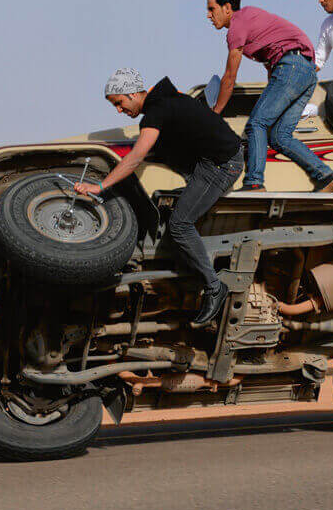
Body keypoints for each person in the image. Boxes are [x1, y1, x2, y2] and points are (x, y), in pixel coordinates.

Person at [75, 68, 244, 327]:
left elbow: (134, 159)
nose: (119, 110)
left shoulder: (156, 112)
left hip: (221, 166)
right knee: (158, 152)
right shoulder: (168, 100)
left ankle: (214, 287)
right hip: (206, 160)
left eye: (119, 103)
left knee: (179, 225)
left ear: (132, 94)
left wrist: (100, 186)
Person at [206, 0, 333, 192]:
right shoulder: (252, 19)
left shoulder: (238, 25)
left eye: (211, 9)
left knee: (256, 124)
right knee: (279, 137)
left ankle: (254, 182)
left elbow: (230, 77)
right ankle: (326, 175)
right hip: (305, 71)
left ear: (227, 8)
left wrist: (215, 114)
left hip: (292, 67)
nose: (208, 15)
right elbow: (272, 66)